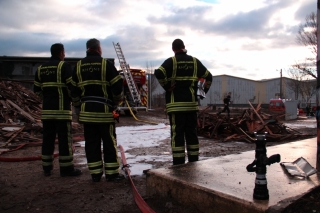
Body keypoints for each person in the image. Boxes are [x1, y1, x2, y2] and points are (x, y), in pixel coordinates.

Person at [71, 38, 124, 182]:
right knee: (109, 142)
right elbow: (117, 85)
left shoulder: (78, 66)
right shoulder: (105, 65)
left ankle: (95, 174)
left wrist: (77, 105)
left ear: (87, 48)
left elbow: (73, 88)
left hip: (87, 113)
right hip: (104, 112)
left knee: (91, 143)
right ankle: (112, 174)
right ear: (98, 48)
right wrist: (115, 102)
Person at [154, 38, 212, 165]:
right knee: (192, 133)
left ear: (173, 49)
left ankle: (179, 162)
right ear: (184, 47)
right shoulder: (195, 62)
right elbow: (208, 77)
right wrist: (201, 93)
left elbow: (158, 73)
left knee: (177, 133)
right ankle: (194, 161)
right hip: (191, 105)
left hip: (175, 106)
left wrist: (167, 85)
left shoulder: (172, 62)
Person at [34, 43, 82, 177]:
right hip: (62, 111)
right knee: (64, 140)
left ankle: (47, 168)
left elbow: (37, 90)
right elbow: (72, 86)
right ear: (61, 52)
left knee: (47, 139)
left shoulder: (41, 68)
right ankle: (66, 169)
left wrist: (48, 99)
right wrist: (74, 100)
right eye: (64, 52)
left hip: (47, 111)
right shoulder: (64, 66)